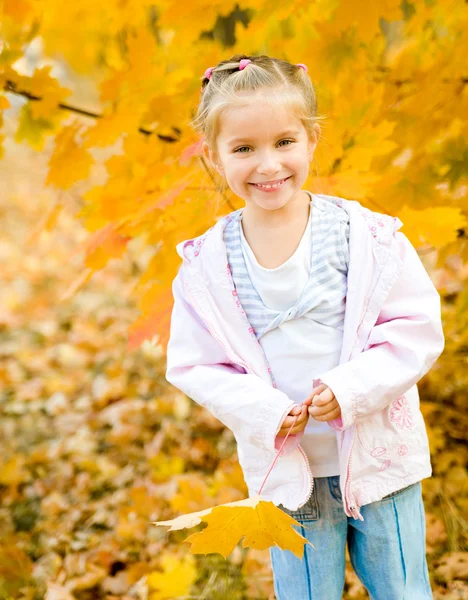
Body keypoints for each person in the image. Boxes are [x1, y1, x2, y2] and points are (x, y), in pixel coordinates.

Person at [165, 54, 445, 600]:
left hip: (377, 454)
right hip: (288, 469)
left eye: (284, 142)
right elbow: (196, 363)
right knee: (306, 591)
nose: (268, 164)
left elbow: (415, 326)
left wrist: (349, 390)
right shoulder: (208, 266)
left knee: (402, 586)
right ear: (214, 155)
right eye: (244, 148)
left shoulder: (365, 236)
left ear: (312, 140)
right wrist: (269, 413)